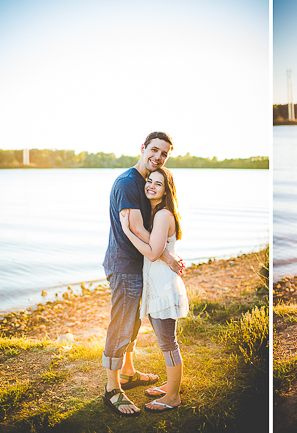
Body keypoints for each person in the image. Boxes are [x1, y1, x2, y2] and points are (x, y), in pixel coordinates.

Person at [101, 132, 183, 416]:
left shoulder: (145, 182)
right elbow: (136, 228)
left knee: (132, 325)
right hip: (124, 264)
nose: (158, 157)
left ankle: (128, 372)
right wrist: (167, 255)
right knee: (121, 324)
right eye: (155, 150)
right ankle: (113, 389)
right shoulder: (127, 183)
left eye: (164, 154)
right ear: (143, 148)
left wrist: (163, 253)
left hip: (139, 266)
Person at [119, 167, 189, 412]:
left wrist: (127, 230)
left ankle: (172, 397)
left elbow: (151, 252)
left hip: (163, 290)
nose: (150, 185)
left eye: (157, 184)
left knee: (168, 344)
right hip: (157, 286)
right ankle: (170, 387)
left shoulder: (162, 215)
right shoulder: (157, 213)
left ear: (166, 189)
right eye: (149, 181)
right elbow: (158, 249)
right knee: (166, 341)